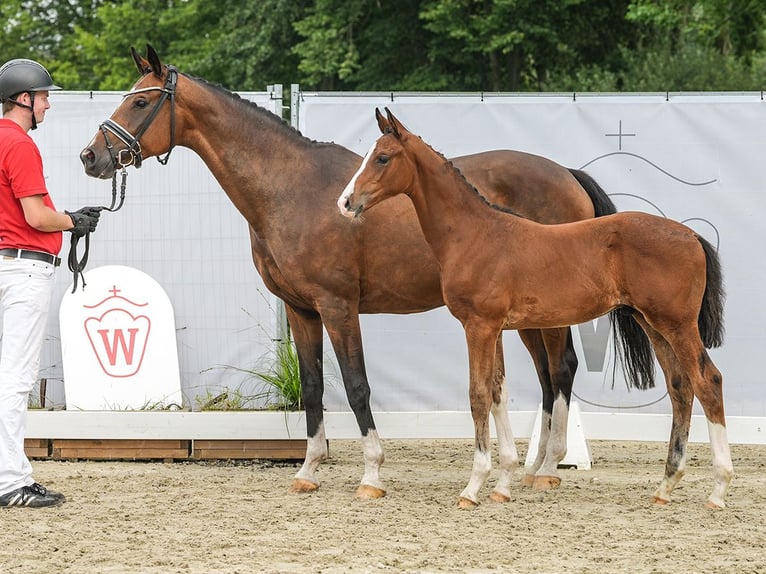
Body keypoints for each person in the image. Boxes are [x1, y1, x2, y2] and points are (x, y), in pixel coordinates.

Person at [0, 58, 100, 508]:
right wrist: (74, 221)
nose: (47, 106)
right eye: (44, 98)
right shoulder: (18, 144)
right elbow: (37, 216)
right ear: (24, 99)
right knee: (16, 378)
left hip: (6, 261)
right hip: (24, 270)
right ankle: (10, 481)